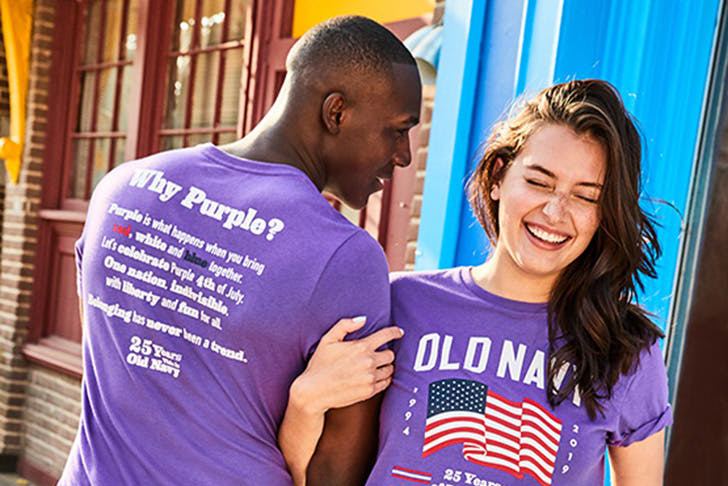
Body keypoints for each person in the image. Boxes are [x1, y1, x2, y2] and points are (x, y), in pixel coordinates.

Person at [59, 16, 421, 486]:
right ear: (336, 113)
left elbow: (109, 358)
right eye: (397, 130)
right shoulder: (345, 255)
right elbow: (335, 472)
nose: (405, 155)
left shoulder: (123, 186)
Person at [284, 79, 672, 485]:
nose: (555, 212)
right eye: (539, 182)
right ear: (498, 178)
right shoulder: (400, 303)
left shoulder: (625, 351)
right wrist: (305, 400)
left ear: (605, 214)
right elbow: (309, 473)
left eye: (586, 196)